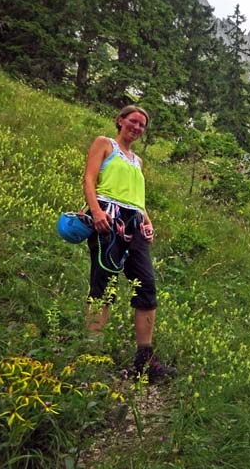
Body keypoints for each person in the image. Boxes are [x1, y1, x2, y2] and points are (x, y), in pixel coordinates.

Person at [83, 105, 174, 381]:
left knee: (146, 286)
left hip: (134, 222)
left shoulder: (137, 161)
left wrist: (147, 222)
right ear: (121, 120)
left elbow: (137, 198)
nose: (137, 127)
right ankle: (92, 356)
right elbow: (89, 178)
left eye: (142, 125)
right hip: (108, 217)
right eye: (133, 121)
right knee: (103, 284)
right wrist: (96, 211)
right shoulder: (104, 144)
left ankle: (144, 361)